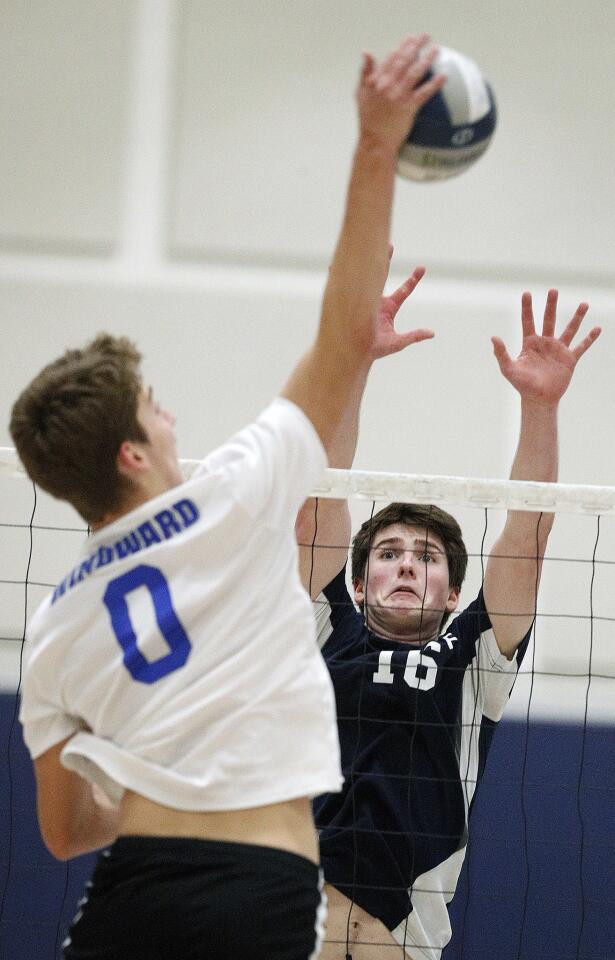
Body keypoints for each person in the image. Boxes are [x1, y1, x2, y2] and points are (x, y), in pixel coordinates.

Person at [10, 34, 446, 960]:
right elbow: (334, 340)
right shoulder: (237, 497)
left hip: (128, 893)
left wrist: (167, 770)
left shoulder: (51, 628)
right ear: (131, 451)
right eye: (153, 409)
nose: (171, 415)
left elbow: (62, 832)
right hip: (261, 891)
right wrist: (377, 143)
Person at [296, 291, 601, 959]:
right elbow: (320, 500)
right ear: (357, 581)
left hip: (403, 941)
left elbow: (526, 538)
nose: (406, 565)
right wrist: (354, 363)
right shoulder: (326, 633)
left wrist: (540, 406)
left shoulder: (475, 658)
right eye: (387, 554)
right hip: (295, 927)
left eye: (426, 557)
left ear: (453, 589)